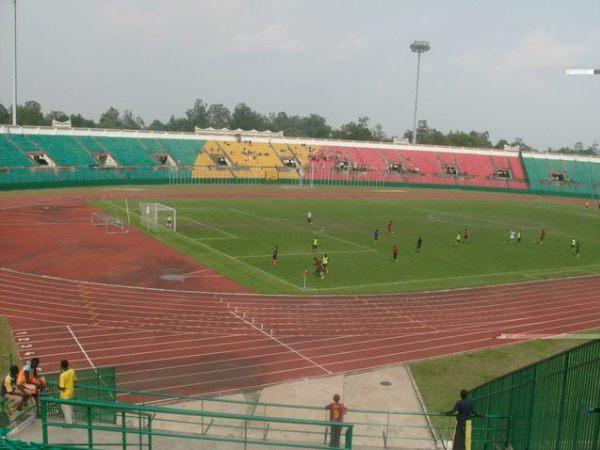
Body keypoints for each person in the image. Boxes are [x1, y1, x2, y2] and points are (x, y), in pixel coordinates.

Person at [58, 360, 77, 425]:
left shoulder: (62, 375)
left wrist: (58, 386)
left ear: (61, 366)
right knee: (71, 410)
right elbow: (74, 381)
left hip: (64, 396)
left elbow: (62, 387)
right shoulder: (72, 371)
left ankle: (69, 425)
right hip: (71, 394)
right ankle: (74, 422)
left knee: (66, 411)